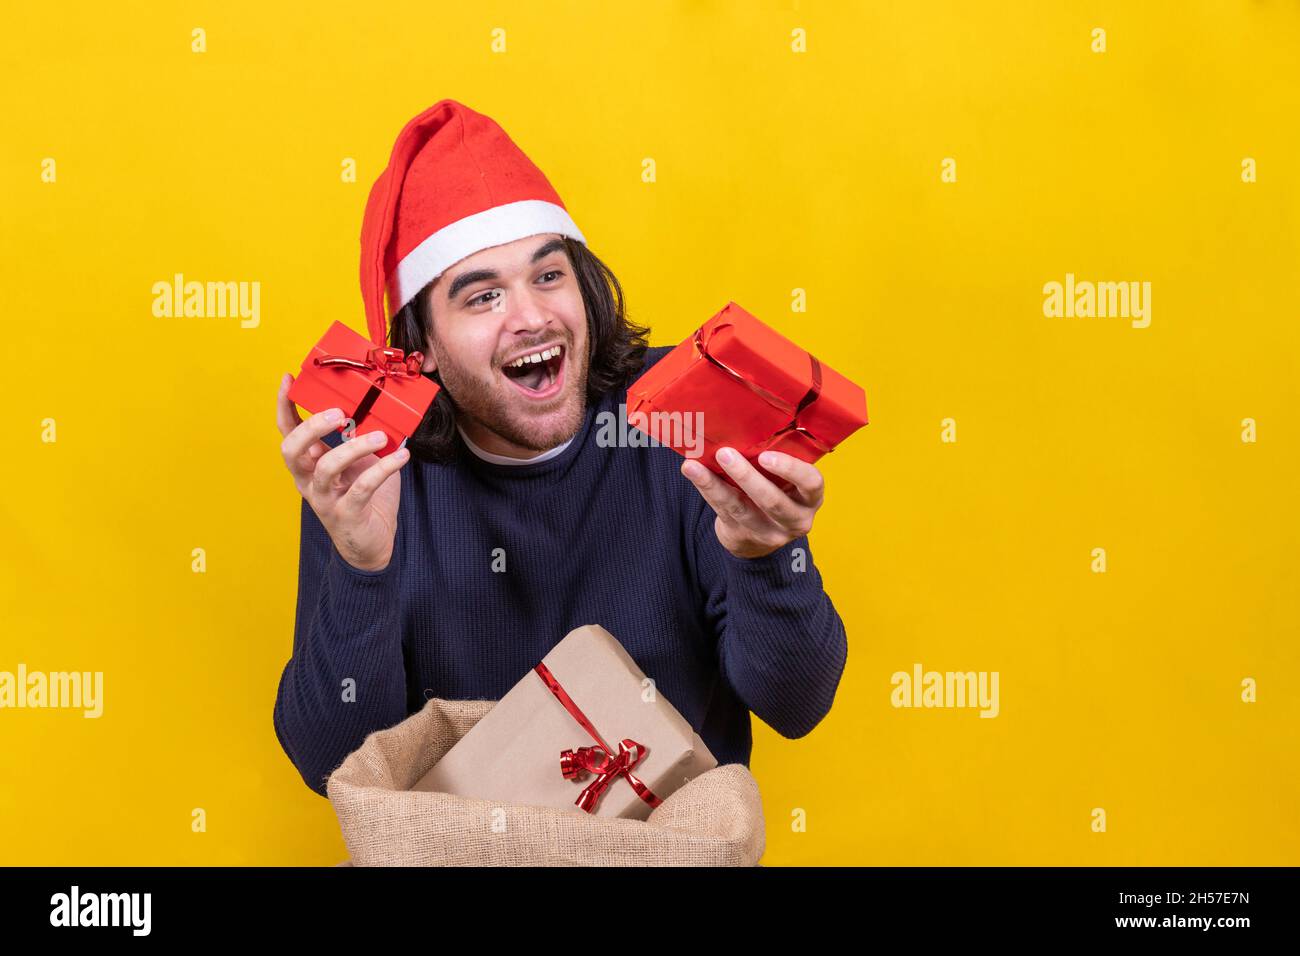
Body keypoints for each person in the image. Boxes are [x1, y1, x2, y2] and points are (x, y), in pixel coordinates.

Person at [272, 99, 848, 796]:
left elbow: (796, 706)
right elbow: (331, 765)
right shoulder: (367, 471)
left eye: (548, 276)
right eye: (482, 297)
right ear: (419, 349)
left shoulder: (677, 418)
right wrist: (361, 566)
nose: (533, 317)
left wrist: (765, 558)